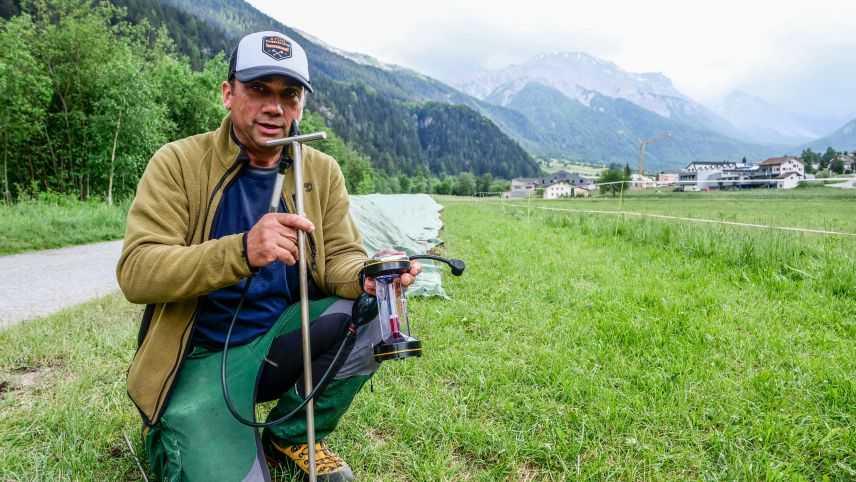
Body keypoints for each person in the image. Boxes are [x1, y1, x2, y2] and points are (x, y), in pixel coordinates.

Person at [117, 31, 421, 482]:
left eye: (289, 94)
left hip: (276, 343)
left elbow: (339, 257)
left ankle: (288, 435)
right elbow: (137, 272)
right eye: (259, 89)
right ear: (228, 93)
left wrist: (368, 275)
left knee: (375, 311)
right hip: (198, 356)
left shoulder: (320, 170)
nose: (274, 107)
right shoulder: (178, 163)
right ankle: (177, 429)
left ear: (300, 105)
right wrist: (241, 250)